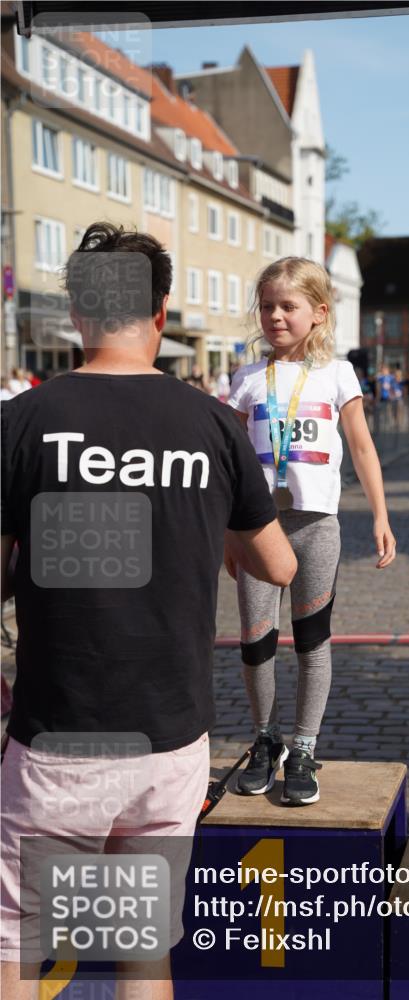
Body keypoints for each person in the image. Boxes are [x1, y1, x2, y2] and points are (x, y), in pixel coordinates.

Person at [0, 222, 296, 1000]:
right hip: (169, 738)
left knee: (18, 947)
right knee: (140, 955)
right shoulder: (209, 424)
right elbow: (280, 564)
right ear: (161, 314)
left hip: (58, 734)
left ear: (77, 314)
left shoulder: (23, 422)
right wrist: (213, 537)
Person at [226, 256, 396, 806]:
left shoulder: (338, 373)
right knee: (255, 642)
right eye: (268, 306)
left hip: (316, 524)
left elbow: (363, 446)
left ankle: (303, 746)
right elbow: (227, 459)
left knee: (311, 642)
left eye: (288, 306)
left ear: (319, 313)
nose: (275, 316)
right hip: (257, 528)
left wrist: (380, 515)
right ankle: (264, 738)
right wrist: (226, 530)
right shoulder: (248, 378)